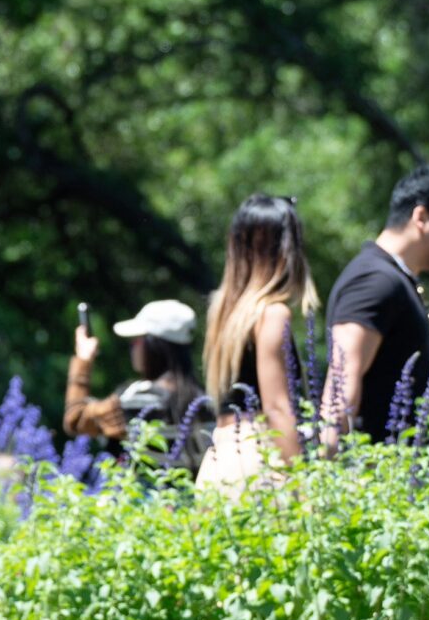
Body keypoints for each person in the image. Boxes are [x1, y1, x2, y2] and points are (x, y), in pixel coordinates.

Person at [325, 166, 429, 441]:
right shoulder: (375, 280)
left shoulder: (394, 280)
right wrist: (331, 470)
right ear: (421, 217)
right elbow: (342, 380)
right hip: (372, 478)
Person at [198, 196, 320, 475]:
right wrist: (301, 481)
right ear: (288, 250)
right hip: (259, 462)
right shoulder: (272, 315)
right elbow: (276, 408)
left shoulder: (225, 314)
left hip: (218, 462)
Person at [65, 300, 211, 471]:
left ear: (154, 346)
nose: (132, 346)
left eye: (137, 341)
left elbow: (75, 418)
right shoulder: (205, 400)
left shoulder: (140, 398)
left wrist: (83, 359)